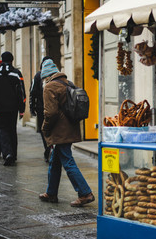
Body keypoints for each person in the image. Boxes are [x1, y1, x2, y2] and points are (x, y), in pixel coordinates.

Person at [39, 59, 95, 207]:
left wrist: (44, 127)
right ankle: (51, 192)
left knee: (68, 161)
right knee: (55, 160)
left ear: (45, 75)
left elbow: (50, 113)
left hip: (59, 131)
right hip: (70, 127)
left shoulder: (49, 87)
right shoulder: (68, 83)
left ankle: (85, 193)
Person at [0, 52, 26, 166]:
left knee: (3, 129)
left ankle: (7, 153)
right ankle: (13, 154)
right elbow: (21, 92)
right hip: (13, 107)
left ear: (2, 60)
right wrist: (22, 109)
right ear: (12, 60)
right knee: (12, 130)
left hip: (0, 107)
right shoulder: (16, 73)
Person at [29, 56, 52, 162]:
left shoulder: (38, 75)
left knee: (44, 130)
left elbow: (32, 92)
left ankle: (48, 147)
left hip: (41, 108)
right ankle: (51, 148)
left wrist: (32, 107)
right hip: (54, 108)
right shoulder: (56, 75)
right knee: (53, 128)